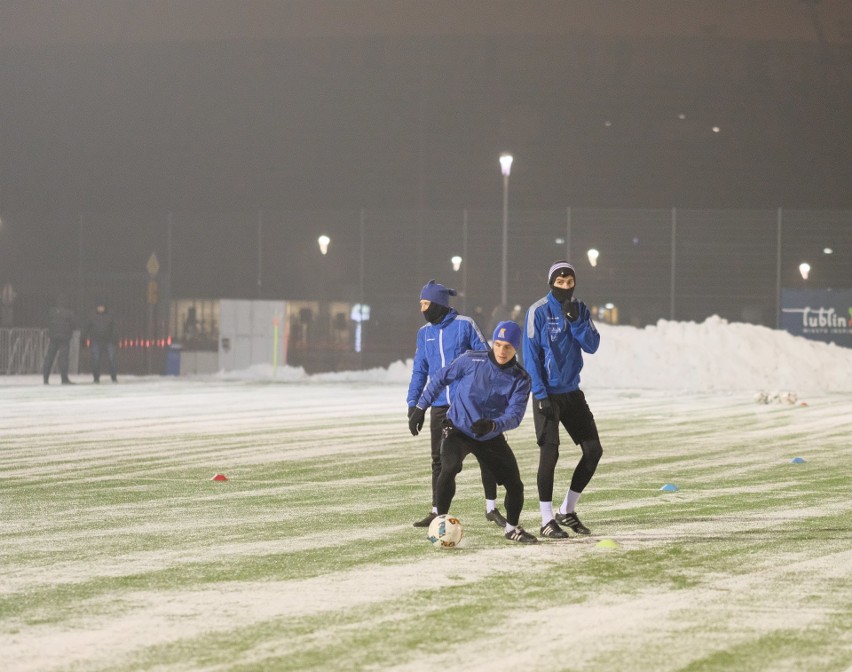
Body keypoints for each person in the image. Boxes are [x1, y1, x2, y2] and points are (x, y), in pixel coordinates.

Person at [410, 321, 536, 543]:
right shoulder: (471, 359)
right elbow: (440, 378)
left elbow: (515, 415)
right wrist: (421, 408)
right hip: (457, 428)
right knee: (447, 469)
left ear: (516, 348)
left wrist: (493, 425)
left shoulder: (521, 379)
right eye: (497, 344)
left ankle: (512, 529)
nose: (501, 351)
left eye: (507, 346)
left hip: (489, 435)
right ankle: (440, 522)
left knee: (515, 486)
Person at [406, 279, 506, 529]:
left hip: (470, 406)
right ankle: (437, 511)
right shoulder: (424, 334)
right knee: (439, 461)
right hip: (440, 408)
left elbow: (486, 359)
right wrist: (414, 403)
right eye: (420, 303)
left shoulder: (465, 325)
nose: (422, 309)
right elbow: (420, 370)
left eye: (425, 303)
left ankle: (491, 508)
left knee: (487, 456)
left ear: (438, 303)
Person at [522, 260, 603, 539]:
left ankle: (566, 510)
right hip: (547, 394)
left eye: (570, 283)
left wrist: (577, 321)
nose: (565, 287)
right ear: (551, 284)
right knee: (550, 453)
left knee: (593, 451)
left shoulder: (579, 309)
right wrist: (540, 394)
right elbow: (530, 355)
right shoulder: (538, 311)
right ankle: (546, 520)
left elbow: (592, 345)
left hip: (572, 392)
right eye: (560, 283)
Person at [42, 293, 77, 385]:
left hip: (53, 337)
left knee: (49, 358)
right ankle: (64, 378)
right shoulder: (69, 313)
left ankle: (45, 378)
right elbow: (73, 324)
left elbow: (47, 322)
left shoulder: (52, 311)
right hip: (65, 338)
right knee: (63, 359)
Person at [85, 302, 118, 383]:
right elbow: (87, 327)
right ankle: (96, 377)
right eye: (99, 307)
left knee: (112, 359)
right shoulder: (92, 316)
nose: (100, 308)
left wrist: (114, 338)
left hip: (108, 340)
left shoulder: (109, 316)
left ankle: (113, 376)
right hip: (96, 341)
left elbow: (114, 328)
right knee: (96, 360)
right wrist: (84, 338)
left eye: (102, 307)